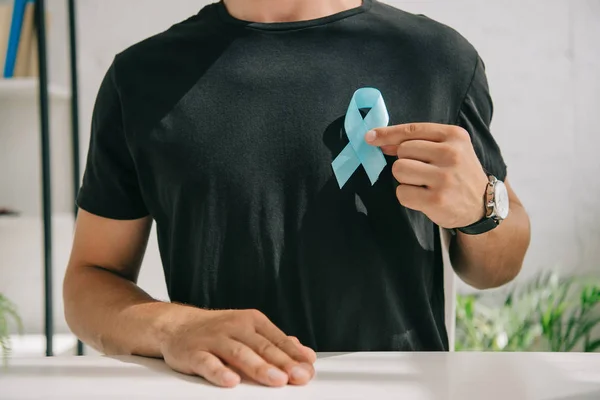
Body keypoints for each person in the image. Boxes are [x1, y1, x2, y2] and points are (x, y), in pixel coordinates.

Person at [63, 0, 531, 388]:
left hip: (396, 391)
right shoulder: (141, 78)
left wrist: (482, 207)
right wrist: (173, 328)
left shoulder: (437, 59)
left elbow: (498, 266)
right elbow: (88, 281)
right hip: (222, 391)